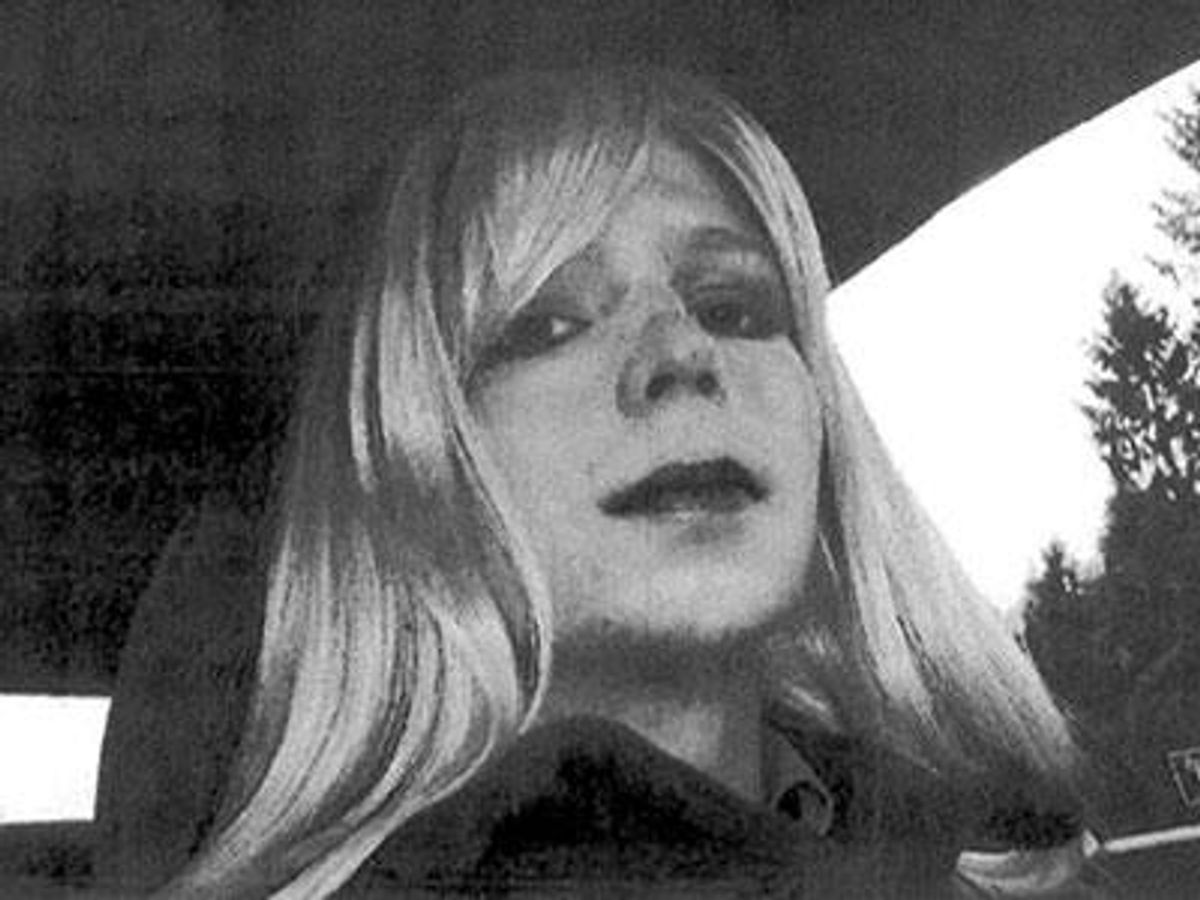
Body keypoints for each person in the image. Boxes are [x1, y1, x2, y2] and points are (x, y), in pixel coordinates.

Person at [96, 67, 1103, 899]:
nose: (683, 352)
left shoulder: (1003, 863)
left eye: (735, 306)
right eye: (548, 323)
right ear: (415, 459)